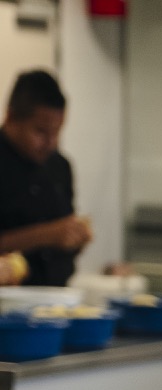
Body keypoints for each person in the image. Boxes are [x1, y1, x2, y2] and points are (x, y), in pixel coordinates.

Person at [0, 70, 91, 287]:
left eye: (57, 132)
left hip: (58, 297)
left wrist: (76, 237)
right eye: (40, 132)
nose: (50, 142)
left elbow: (63, 241)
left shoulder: (60, 166)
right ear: (11, 117)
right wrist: (45, 235)